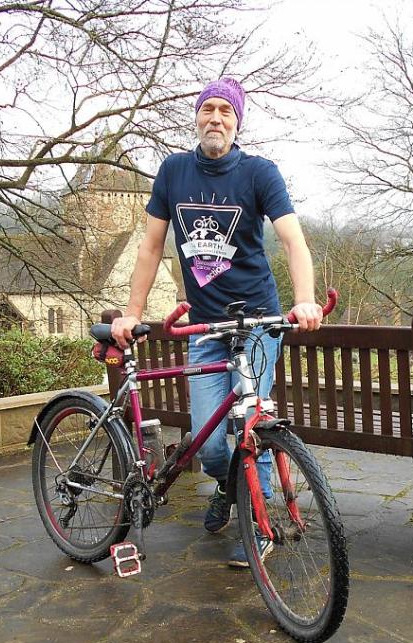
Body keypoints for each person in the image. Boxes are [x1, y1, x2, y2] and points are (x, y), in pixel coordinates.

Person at [110, 77, 322, 567]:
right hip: (205, 327)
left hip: (259, 325)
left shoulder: (259, 173)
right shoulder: (174, 171)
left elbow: (294, 241)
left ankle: (258, 525)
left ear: (238, 121)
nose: (216, 118)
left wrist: (305, 300)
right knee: (208, 443)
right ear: (197, 117)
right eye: (208, 108)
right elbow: (149, 247)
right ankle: (229, 486)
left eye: (226, 111)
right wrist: (133, 313)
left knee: (254, 425)